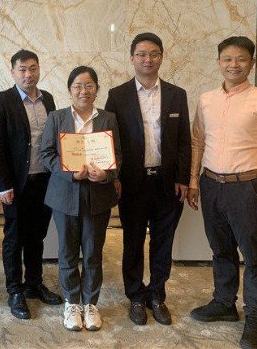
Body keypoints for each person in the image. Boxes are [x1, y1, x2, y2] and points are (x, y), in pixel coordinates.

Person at [187, 36, 257, 349]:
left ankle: (255, 316)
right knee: (221, 249)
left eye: (241, 59)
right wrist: (193, 181)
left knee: (254, 255)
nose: (234, 65)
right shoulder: (206, 100)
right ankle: (224, 303)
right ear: (219, 62)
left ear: (251, 63)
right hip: (211, 184)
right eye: (228, 59)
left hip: (247, 186)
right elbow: (197, 142)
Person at [105, 32, 191, 326]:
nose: (148, 59)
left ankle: (157, 295)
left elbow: (184, 140)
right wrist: (114, 176)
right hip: (132, 182)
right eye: (141, 54)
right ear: (132, 58)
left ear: (161, 57)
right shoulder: (117, 95)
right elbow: (110, 140)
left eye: (154, 54)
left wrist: (183, 178)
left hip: (167, 182)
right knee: (132, 241)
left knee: (163, 241)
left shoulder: (177, 94)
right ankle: (136, 296)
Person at [40, 66, 121, 332]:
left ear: (96, 89)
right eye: (77, 86)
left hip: (98, 195)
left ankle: (90, 303)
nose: (83, 91)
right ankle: (72, 303)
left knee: (93, 252)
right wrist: (70, 173)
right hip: (65, 194)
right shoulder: (57, 117)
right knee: (67, 252)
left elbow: (118, 156)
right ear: (69, 90)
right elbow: (47, 154)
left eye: (89, 85)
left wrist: (107, 175)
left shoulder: (108, 118)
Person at [0, 50, 63, 320]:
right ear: (13, 72)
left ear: (39, 69)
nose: (28, 74)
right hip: (16, 184)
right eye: (22, 69)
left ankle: (34, 284)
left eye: (33, 68)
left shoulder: (48, 99)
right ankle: (15, 290)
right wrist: (3, 184)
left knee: (37, 235)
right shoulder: (1, 101)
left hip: (44, 180)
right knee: (14, 237)